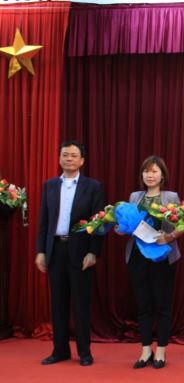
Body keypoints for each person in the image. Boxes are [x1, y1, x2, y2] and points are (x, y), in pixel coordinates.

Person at [35, 140, 104, 366]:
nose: (69, 159)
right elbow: (43, 222)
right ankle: (60, 350)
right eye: (65, 155)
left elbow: (99, 224)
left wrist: (93, 252)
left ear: (82, 161)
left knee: (81, 303)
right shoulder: (50, 186)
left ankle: (84, 352)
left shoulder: (92, 187)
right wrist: (41, 252)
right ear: (59, 158)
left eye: (73, 156)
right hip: (56, 249)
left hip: (81, 252)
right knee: (58, 303)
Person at [122, 156, 181, 369]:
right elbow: (127, 224)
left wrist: (171, 236)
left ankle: (162, 351)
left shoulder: (171, 196)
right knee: (143, 304)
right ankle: (146, 349)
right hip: (138, 256)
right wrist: (121, 227)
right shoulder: (135, 197)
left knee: (162, 304)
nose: (150, 175)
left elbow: (183, 225)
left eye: (154, 171)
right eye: (146, 171)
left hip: (163, 255)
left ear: (162, 175)